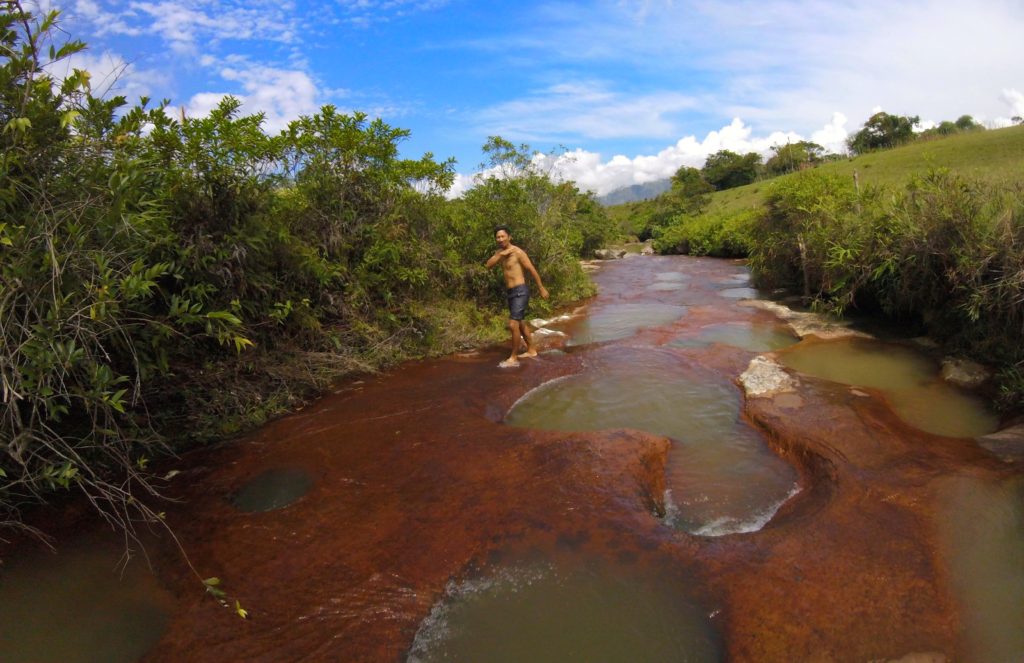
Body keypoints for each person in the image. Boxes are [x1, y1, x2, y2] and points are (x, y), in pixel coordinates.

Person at [485, 225, 549, 367]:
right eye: (498, 237)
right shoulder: (500, 253)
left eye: (503, 236)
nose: (500, 239)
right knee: (520, 323)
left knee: (512, 323)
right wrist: (500, 255)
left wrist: (541, 288)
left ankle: (513, 357)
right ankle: (531, 350)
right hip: (511, 293)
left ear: (509, 237)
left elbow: (531, 269)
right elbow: (488, 265)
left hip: (521, 291)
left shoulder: (518, 252)